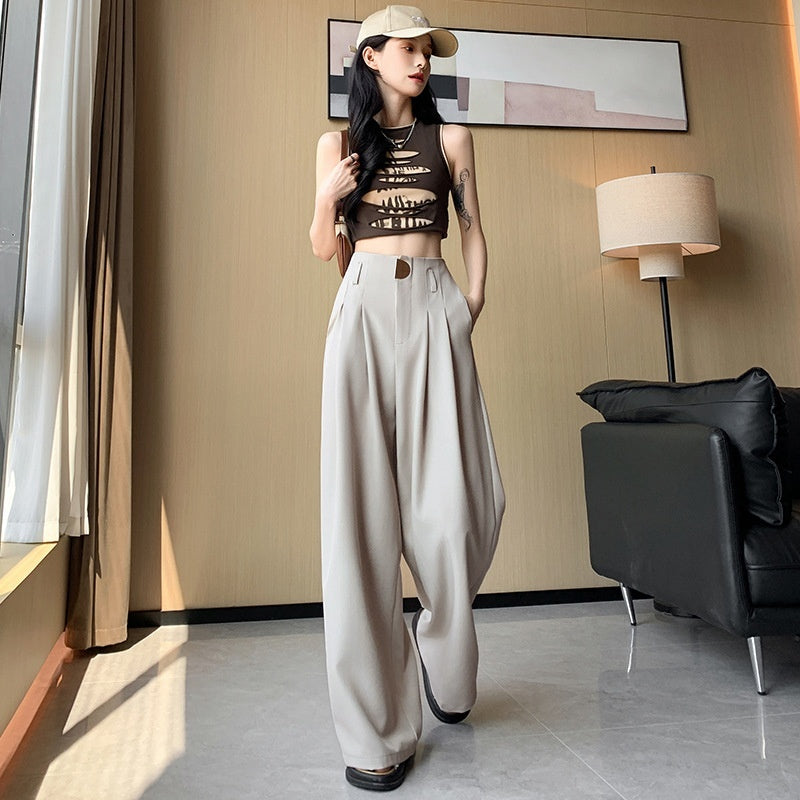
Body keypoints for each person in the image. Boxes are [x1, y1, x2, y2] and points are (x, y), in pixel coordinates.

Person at [309, 5, 505, 792]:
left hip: (433, 304)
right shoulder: (337, 145)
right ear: (371, 57)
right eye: (409, 48)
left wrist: (470, 304)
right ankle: (375, 734)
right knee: (357, 518)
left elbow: (473, 227)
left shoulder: (451, 139)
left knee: (458, 508)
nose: (422, 60)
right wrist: (326, 197)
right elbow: (324, 248)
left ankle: (445, 656)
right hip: (361, 309)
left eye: (428, 50)